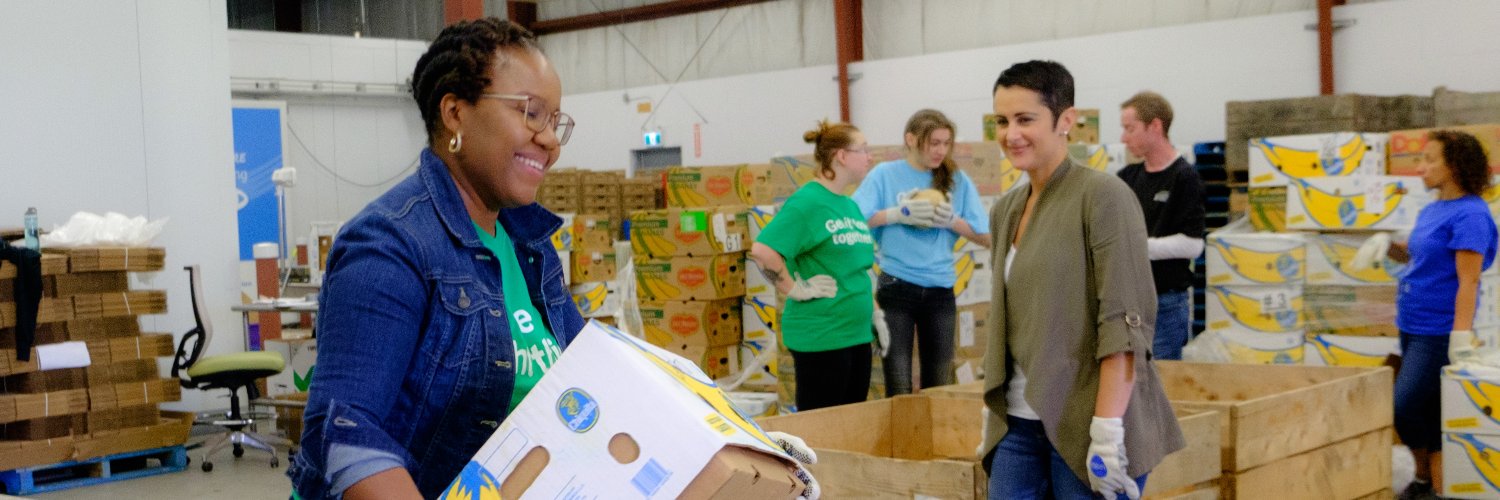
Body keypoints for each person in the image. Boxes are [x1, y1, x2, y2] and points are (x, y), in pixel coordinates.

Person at [286, 18, 584, 500]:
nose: (549, 140)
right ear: (454, 113)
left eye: (555, 121)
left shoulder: (530, 245)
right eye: (531, 113)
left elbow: (586, 375)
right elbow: (344, 431)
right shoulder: (388, 245)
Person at [979, 60, 1184, 500]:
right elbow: (1010, 320)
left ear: (1066, 121)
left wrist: (1108, 430)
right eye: (1001, 120)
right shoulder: (1005, 211)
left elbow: (1124, 320)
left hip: (1087, 422)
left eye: (1025, 119)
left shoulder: (1103, 197)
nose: (1010, 134)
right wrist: (991, 410)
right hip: (1018, 425)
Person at [1384, 130, 1497, 500]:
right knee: (1429, 408)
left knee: (1403, 405)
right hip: (1411, 321)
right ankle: (1429, 484)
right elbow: (1422, 258)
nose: (1421, 168)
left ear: (1455, 165)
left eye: (1430, 160)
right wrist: (1386, 249)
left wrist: (1460, 336)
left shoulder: (1472, 214)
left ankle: (1425, 479)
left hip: (1437, 329)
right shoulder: (1433, 209)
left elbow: (1468, 280)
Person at [853, 109, 991, 397]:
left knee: (939, 383)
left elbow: (987, 237)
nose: (941, 150)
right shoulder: (884, 174)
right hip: (896, 286)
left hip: (940, 288)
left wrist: (952, 221)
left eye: (946, 143)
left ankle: (933, 443)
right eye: (934, 143)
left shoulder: (957, 180)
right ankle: (902, 442)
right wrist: (896, 214)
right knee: (899, 382)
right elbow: (853, 220)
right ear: (911, 139)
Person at [749, 120, 876, 412]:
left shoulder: (848, 205)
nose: (870, 157)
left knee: (854, 424)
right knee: (823, 430)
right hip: (823, 334)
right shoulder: (807, 202)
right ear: (842, 156)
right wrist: (795, 289)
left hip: (856, 333)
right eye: (864, 149)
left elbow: (856, 269)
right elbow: (763, 250)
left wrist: (876, 315)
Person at [1115, 91, 1206, 360]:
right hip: (1127, 304)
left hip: (1165, 305)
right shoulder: (1127, 178)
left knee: (1162, 383)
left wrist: (1137, 247)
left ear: (1155, 126)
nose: (1123, 137)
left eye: (1130, 129)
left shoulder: (1185, 178)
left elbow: (1192, 245)